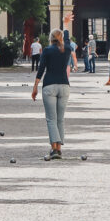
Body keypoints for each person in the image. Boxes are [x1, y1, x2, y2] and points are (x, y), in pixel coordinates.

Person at [32, 29, 74, 160]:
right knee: (60, 119)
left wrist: (35, 87)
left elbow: (41, 69)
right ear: (61, 38)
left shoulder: (47, 50)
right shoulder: (66, 49)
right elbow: (67, 39)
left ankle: (54, 148)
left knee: (51, 119)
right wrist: (66, 24)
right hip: (64, 86)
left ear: (50, 38)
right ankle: (59, 149)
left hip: (49, 85)